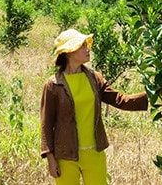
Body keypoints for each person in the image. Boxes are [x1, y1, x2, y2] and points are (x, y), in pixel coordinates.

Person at [40, 29, 148, 185]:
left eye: (86, 45)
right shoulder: (52, 85)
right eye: (82, 46)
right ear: (69, 52)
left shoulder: (94, 78)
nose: (87, 49)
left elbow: (120, 100)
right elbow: (46, 124)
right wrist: (50, 159)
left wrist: (151, 95)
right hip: (65, 156)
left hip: (94, 153)